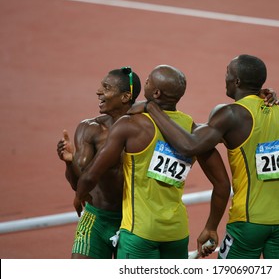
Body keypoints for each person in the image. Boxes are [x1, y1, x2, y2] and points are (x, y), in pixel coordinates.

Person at [131, 54, 279, 259]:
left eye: (227, 73)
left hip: (248, 222)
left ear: (237, 81)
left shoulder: (231, 115)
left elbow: (189, 145)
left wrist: (152, 108)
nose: (225, 78)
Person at [74, 65, 233, 259]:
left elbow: (91, 176)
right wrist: (211, 226)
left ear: (156, 93)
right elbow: (223, 184)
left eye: (148, 81)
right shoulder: (194, 130)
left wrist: (79, 194)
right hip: (177, 233)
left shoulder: (131, 125)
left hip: (139, 232)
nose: (144, 84)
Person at [56, 66, 141, 258]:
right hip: (97, 217)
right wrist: (69, 162)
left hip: (135, 221)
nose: (98, 92)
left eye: (106, 87)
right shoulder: (90, 129)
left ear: (125, 97)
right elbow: (78, 185)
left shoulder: (146, 131)